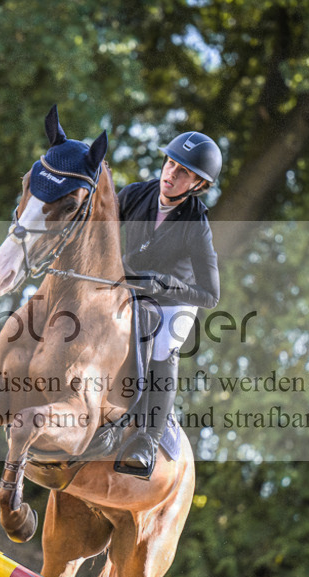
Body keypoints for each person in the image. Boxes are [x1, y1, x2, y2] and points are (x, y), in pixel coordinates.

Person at [114, 131, 222, 479]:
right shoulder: (133, 194)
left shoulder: (197, 225)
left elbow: (210, 295)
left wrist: (166, 283)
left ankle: (148, 438)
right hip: (128, 287)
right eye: (170, 163)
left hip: (173, 302)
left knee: (163, 345)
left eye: (182, 172)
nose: (170, 174)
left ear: (198, 185)